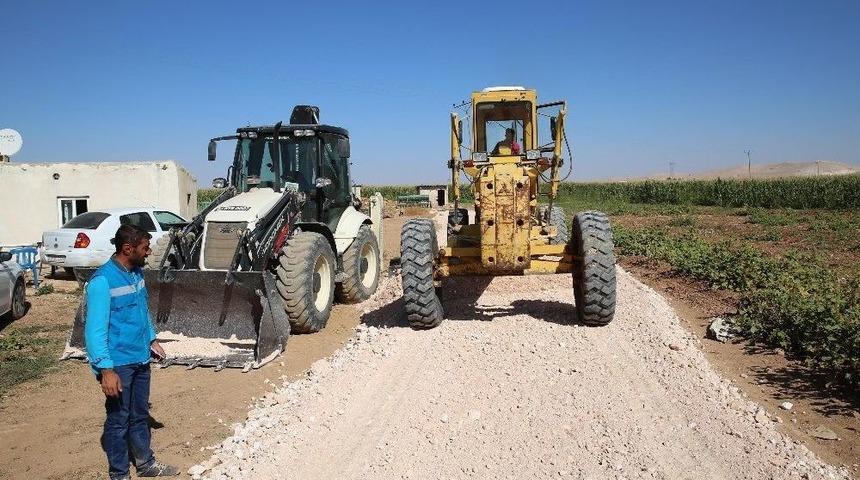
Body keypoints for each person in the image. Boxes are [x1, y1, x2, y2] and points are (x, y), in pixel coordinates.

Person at [84, 224, 178, 479]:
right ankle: (119, 474)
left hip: (140, 359)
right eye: (145, 248)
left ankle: (145, 464)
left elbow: (141, 310)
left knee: (139, 416)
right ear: (128, 248)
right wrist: (106, 370)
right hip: (118, 365)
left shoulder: (136, 273)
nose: (148, 253)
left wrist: (150, 339)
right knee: (118, 421)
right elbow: (94, 331)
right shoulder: (102, 282)